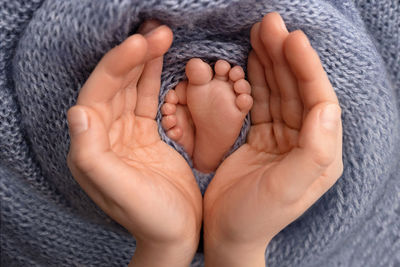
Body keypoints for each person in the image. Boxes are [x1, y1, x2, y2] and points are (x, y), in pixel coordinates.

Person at [66, 12, 343, 267]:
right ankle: (210, 157)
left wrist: (164, 249)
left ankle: (204, 158)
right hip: (256, 167)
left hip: (150, 157)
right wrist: (235, 249)